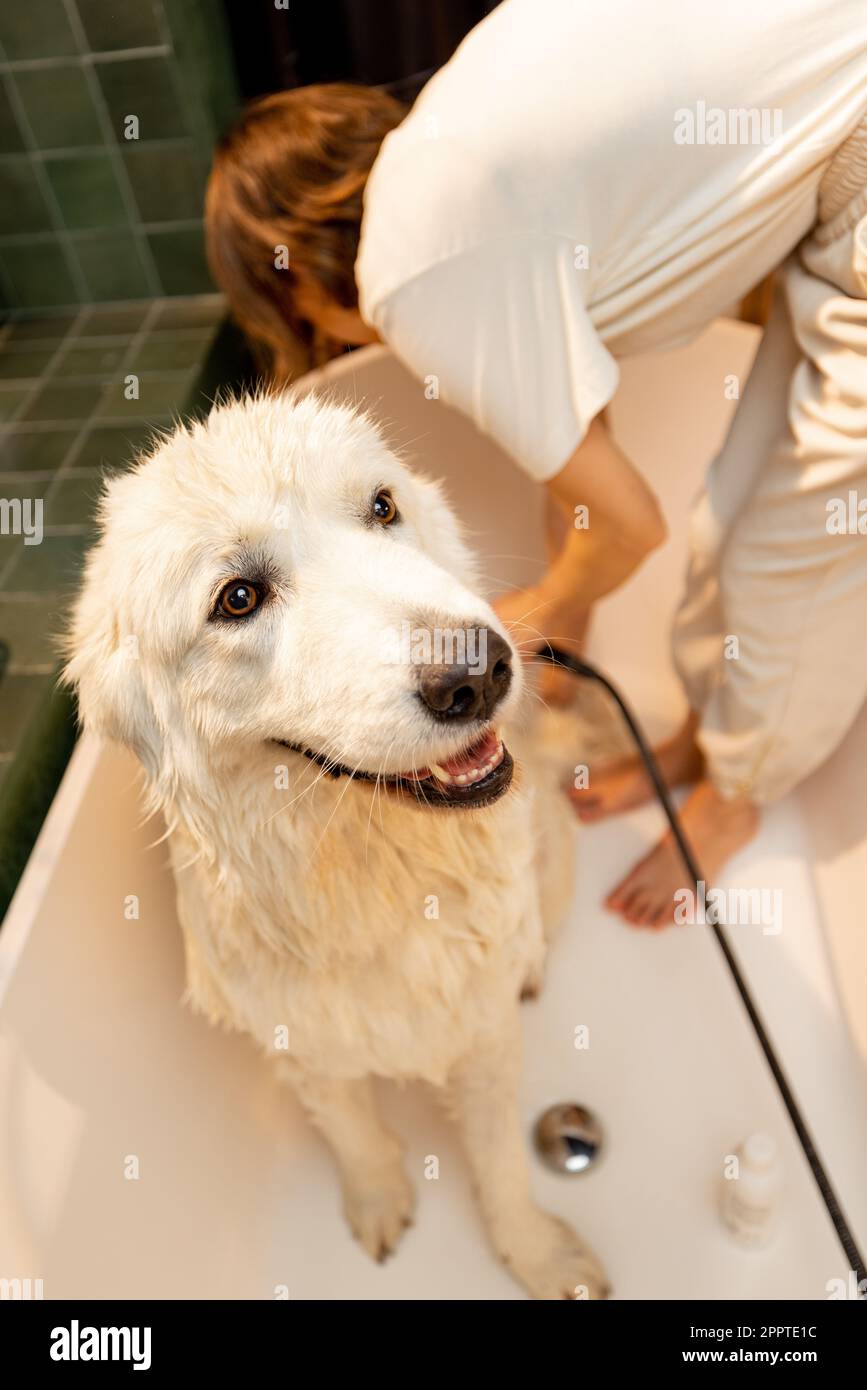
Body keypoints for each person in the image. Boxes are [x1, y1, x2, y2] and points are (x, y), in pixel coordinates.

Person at [206, 0, 867, 927]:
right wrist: (556, 672)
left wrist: (514, 626)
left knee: (794, 548)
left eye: (302, 327)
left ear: (294, 284)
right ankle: (697, 745)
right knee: (741, 500)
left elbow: (631, 524)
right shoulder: (454, 170)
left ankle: (733, 800)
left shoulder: (413, 273)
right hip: (836, 122)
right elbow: (587, 482)